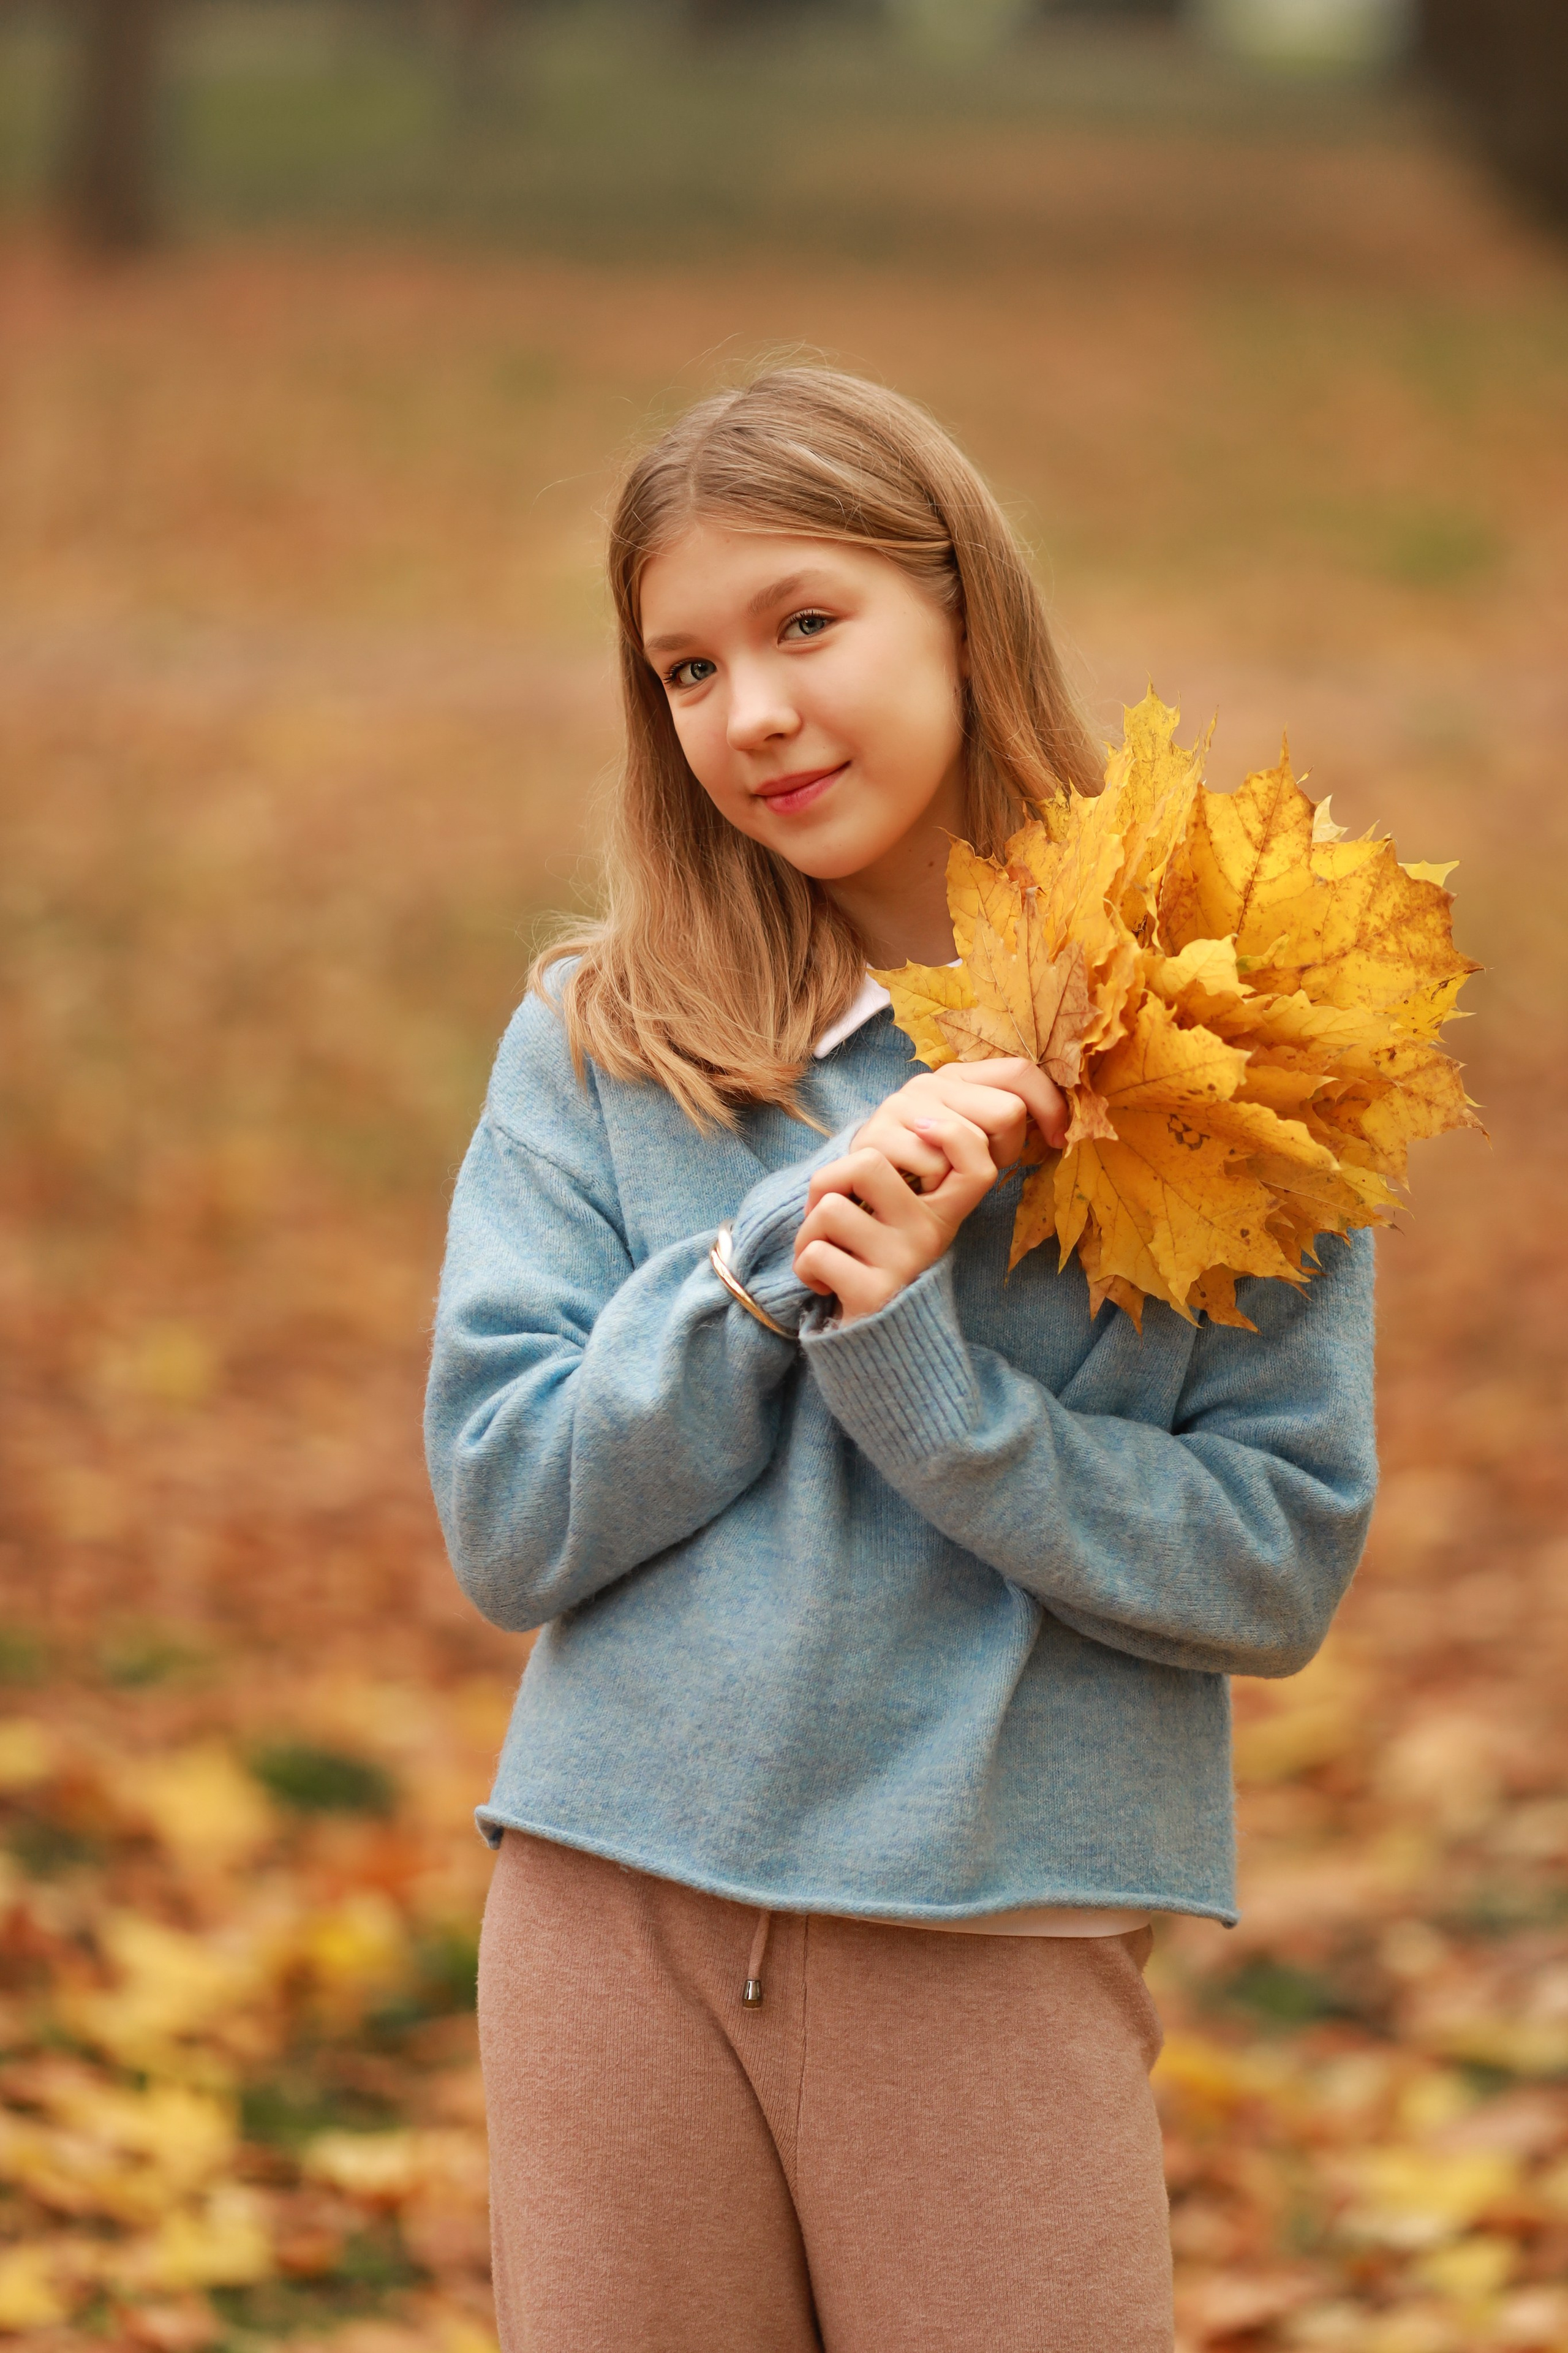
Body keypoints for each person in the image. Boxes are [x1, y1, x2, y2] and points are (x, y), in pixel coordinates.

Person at [424, 368, 1377, 2353]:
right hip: (609, 1905)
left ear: (962, 607)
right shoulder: (608, 1039)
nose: (751, 714)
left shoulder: (1228, 1032)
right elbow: (511, 1514)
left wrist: (944, 1405)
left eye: (805, 623)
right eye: (687, 669)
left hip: (998, 1915)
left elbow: (1270, 1561)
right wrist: (774, 1262)